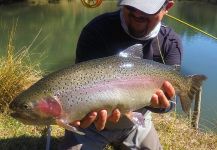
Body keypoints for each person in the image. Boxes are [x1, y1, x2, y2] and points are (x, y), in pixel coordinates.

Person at [59, 0, 182, 149]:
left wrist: (160, 106)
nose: (137, 13)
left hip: (136, 124)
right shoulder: (96, 30)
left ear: (167, 7)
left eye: (147, 10)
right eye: (132, 6)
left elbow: (170, 104)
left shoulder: (170, 43)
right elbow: (76, 84)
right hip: (91, 125)